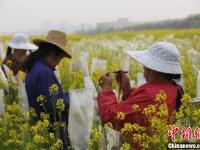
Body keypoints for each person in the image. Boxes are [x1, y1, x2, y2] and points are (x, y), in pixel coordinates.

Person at [98, 42, 184, 130]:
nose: (143, 67)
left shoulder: (149, 94)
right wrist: (128, 91)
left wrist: (106, 88)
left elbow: (110, 117)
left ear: (153, 69)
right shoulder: (174, 88)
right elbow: (139, 109)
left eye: (146, 64)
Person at [24, 30, 71, 149]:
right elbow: (53, 104)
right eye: (61, 56)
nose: (60, 61)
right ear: (55, 53)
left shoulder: (36, 67)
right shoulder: (44, 72)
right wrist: (74, 98)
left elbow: (50, 97)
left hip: (43, 131)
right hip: (52, 135)